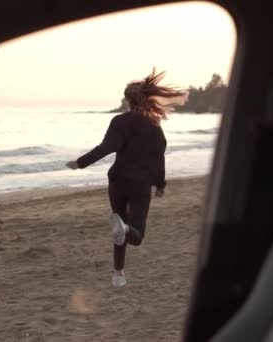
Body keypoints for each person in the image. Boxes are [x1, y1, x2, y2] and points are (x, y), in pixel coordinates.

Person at [66, 69, 188, 287]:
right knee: (136, 234)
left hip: (118, 182)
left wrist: (80, 163)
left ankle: (118, 274)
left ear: (127, 100)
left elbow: (107, 147)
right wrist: (160, 184)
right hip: (140, 185)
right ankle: (124, 234)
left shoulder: (119, 121)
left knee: (119, 224)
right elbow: (158, 159)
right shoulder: (155, 128)